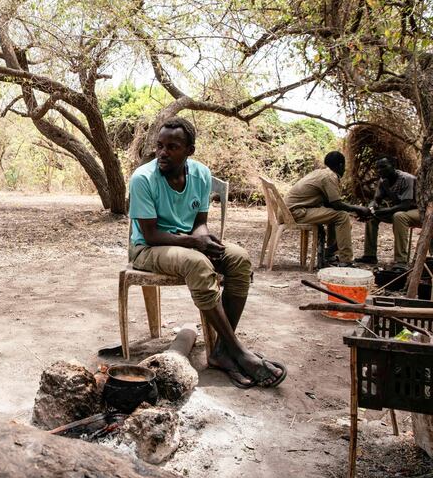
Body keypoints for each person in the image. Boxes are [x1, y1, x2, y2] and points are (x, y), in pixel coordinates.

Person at [128, 117, 286, 389]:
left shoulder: (200, 174)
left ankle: (222, 351)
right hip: (148, 248)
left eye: (172, 147)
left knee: (238, 258)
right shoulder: (143, 178)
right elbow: (151, 234)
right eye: (159, 146)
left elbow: (200, 221)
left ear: (189, 150)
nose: (163, 153)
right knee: (198, 265)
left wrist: (203, 238)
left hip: (187, 243)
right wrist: (194, 244)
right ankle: (237, 351)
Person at [283, 151, 370, 267]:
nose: (344, 170)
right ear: (340, 165)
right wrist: (358, 208)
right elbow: (337, 204)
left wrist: (355, 212)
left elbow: (330, 205)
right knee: (342, 216)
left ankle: (329, 253)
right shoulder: (330, 177)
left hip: (289, 210)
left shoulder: (320, 173)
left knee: (338, 215)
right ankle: (346, 260)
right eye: (344, 166)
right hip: (295, 212)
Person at [356, 156, 420, 268]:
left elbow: (405, 205)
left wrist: (387, 193)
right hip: (401, 210)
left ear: (393, 166)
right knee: (373, 216)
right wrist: (371, 208)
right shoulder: (383, 180)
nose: (380, 170)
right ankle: (370, 255)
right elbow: (376, 200)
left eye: (383, 167)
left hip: (419, 211)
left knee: (399, 216)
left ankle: (401, 260)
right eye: (378, 168)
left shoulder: (407, 179)